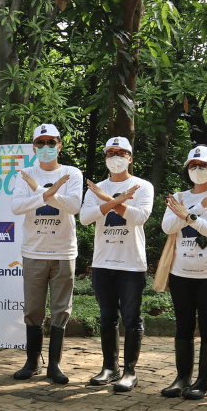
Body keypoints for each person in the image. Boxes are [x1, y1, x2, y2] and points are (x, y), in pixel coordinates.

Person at [159, 146, 207, 400]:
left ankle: (202, 382)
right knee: (183, 327)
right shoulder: (178, 195)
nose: (198, 170)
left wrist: (191, 215)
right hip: (182, 274)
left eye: (204, 166)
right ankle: (182, 378)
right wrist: (191, 213)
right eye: (193, 165)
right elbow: (167, 226)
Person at [80, 136, 155, 392]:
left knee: (131, 318)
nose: (116, 157)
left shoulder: (142, 186)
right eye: (111, 152)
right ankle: (109, 368)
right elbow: (85, 218)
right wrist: (113, 199)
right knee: (107, 317)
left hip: (131, 264)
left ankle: (130, 372)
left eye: (121, 153)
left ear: (130, 158)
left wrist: (108, 201)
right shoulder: (96, 187)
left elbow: (140, 217)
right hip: (103, 261)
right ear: (105, 158)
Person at [11, 123, 83, 384]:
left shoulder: (72, 173)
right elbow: (17, 207)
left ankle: (54, 364)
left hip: (64, 252)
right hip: (33, 251)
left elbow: (73, 205)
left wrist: (40, 192)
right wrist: (52, 194)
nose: (45, 147)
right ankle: (32, 362)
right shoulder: (25, 174)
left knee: (61, 309)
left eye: (51, 142)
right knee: (33, 309)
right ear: (33, 147)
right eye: (40, 143)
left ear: (60, 145)